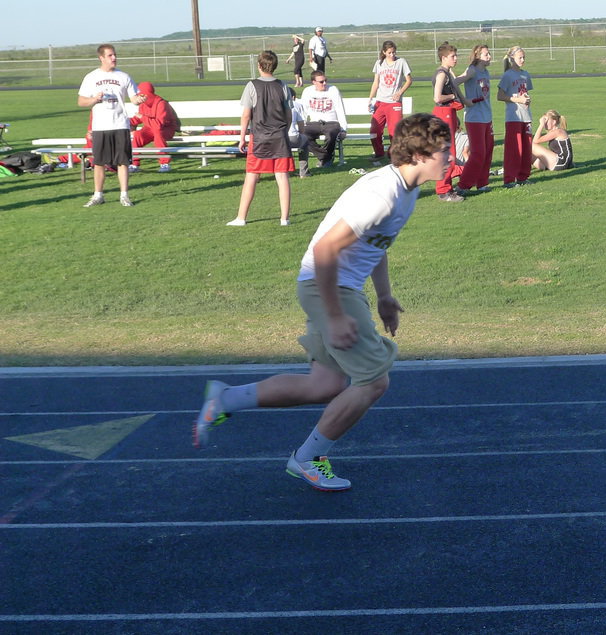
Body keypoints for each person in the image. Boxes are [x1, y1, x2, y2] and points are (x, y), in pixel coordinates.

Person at [193, 113, 453, 492]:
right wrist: (333, 316)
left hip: (336, 287)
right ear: (418, 154)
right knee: (373, 381)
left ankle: (226, 398)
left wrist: (384, 296)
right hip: (326, 286)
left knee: (325, 384)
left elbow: (374, 246)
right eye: (444, 151)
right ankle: (307, 458)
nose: (451, 157)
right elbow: (327, 248)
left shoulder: (407, 191)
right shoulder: (382, 194)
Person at [228, 50, 294, 227]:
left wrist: (242, 138)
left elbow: (246, 115)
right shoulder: (282, 86)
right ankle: (284, 219)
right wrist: (284, 131)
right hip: (279, 137)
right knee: (282, 177)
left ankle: (241, 218)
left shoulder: (252, 85)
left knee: (251, 176)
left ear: (259, 65)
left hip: (259, 138)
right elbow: (289, 115)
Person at [77, 44, 146, 207]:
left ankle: (124, 195)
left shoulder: (124, 76)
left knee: (123, 161)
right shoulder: (91, 77)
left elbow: (134, 98)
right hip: (100, 126)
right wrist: (94, 99)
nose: (114, 58)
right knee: (99, 162)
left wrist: (139, 99)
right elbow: (81, 101)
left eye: (114, 55)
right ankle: (98, 195)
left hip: (120, 124)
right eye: (110, 56)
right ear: (101, 58)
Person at [431, 42, 468, 202]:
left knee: (448, 151)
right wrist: (453, 97)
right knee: (447, 152)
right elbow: (437, 97)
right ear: (444, 57)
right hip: (443, 113)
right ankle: (443, 190)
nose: (456, 59)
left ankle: (448, 187)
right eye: (453, 56)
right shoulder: (442, 74)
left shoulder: (448, 73)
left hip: (449, 113)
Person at [367, 40, 412, 165]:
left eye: (393, 52)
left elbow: (409, 80)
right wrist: (371, 98)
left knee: (394, 131)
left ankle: (393, 155)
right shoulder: (379, 63)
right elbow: (376, 82)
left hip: (394, 103)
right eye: (389, 53)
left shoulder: (401, 62)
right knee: (374, 130)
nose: (392, 55)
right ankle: (379, 153)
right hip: (380, 101)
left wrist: (400, 92)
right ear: (384, 52)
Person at [457, 44, 494, 192]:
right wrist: (464, 100)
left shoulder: (486, 72)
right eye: (486, 54)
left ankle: (482, 183)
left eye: (489, 53)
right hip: (474, 118)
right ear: (478, 56)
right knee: (478, 153)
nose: (489, 56)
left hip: (487, 117)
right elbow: (455, 82)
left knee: (488, 151)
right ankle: (463, 186)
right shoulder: (472, 70)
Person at [497, 45, 533, 188]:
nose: (523, 60)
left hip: (526, 116)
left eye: (524, 57)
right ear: (512, 58)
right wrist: (518, 100)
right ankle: (509, 179)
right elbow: (500, 96)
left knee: (526, 148)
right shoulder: (507, 75)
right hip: (514, 117)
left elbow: (524, 91)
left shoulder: (525, 74)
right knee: (514, 149)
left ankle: (523, 177)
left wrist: (527, 99)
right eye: (520, 57)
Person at [298, 71, 348, 169]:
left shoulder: (333, 90)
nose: (324, 83)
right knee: (303, 136)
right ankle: (326, 157)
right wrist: (301, 126)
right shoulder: (307, 91)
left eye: (325, 80)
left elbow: (340, 109)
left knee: (331, 136)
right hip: (314, 123)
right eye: (321, 82)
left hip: (331, 123)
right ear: (314, 82)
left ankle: (325, 159)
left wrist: (344, 128)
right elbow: (303, 111)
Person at [129, 82, 180, 173]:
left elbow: (159, 125)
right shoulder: (143, 104)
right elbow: (138, 118)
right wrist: (126, 122)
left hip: (166, 129)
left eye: (141, 94)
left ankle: (164, 163)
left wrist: (142, 117)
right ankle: (134, 164)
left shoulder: (161, 104)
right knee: (137, 135)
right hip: (151, 127)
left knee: (158, 133)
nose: (140, 97)